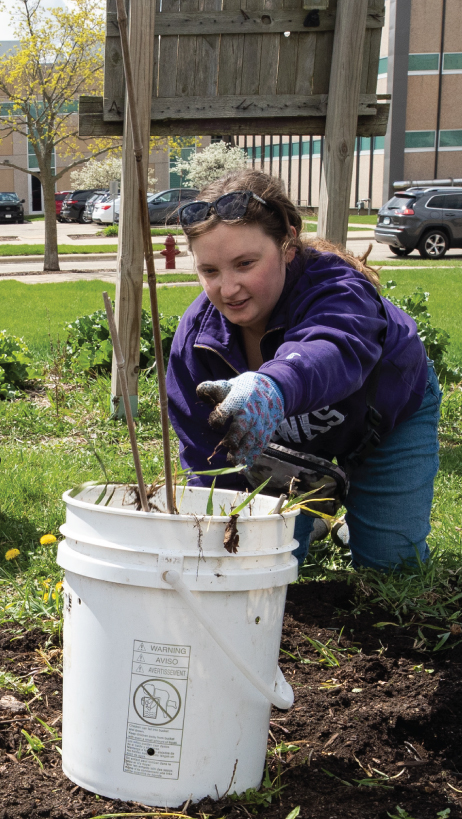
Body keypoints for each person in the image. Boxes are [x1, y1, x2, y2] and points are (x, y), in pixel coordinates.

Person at [164, 169, 439, 568]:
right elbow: (209, 460)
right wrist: (221, 531)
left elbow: (331, 347)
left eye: (245, 263)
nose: (227, 288)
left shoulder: (337, 289)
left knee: (390, 567)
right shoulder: (198, 340)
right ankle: (310, 521)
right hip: (291, 451)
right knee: (257, 563)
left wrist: (273, 385)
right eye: (210, 271)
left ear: (288, 244)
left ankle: (360, 522)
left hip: (385, 420)